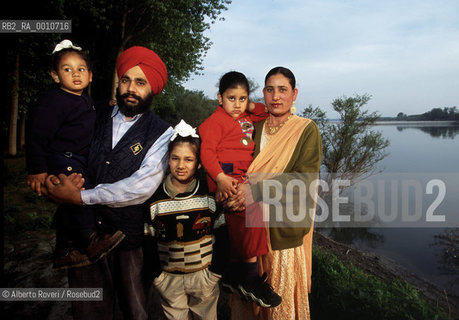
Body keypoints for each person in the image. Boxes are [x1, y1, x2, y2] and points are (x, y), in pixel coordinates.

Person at [44, 46, 174, 320]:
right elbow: (61, 145)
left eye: (140, 82)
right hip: (80, 235)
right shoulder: (91, 113)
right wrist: (46, 175)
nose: (130, 88)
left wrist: (80, 197)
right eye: (125, 80)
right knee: (88, 310)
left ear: (153, 89)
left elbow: (141, 187)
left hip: (127, 236)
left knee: (135, 309)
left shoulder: (162, 132)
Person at [225, 66, 322, 320]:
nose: (276, 96)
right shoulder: (253, 127)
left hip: (282, 231)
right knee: (248, 301)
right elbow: (235, 162)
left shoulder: (305, 130)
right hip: (250, 227)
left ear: (294, 94)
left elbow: (304, 180)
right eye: (270, 90)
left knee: (277, 305)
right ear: (263, 94)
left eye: (283, 90)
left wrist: (255, 189)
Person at [26, 39, 125, 270]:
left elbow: (90, 111)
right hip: (63, 157)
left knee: (70, 200)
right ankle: (90, 241)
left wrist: (107, 106)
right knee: (79, 193)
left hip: (78, 157)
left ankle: (64, 249)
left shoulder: (83, 99)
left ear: (90, 75)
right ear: (55, 76)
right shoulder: (53, 101)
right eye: (67, 69)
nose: (75, 74)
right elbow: (37, 135)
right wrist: (36, 170)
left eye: (81, 69)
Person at [198, 71, 281, 308]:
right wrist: (220, 178)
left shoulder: (245, 116)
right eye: (231, 98)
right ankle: (251, 278)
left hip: (242, 177)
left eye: (242, 98)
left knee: (250, 221)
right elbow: (207, 153)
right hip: (225, 176)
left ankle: (234, 276)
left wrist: (250, 105)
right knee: (249, 216)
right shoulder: (214, 122)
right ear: (219, 97)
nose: (237, 104)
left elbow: (264, 111)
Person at [144, 120, 222, 319]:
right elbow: (147, 241)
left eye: (188, 159)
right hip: (169, 280)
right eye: (175, 158)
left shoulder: (208, 196)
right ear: (167, 160)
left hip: (204, 277)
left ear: (199, 163)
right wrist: (158, 278)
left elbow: (223, 233)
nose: (181, 165)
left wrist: (215, 273)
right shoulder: (155, 199)